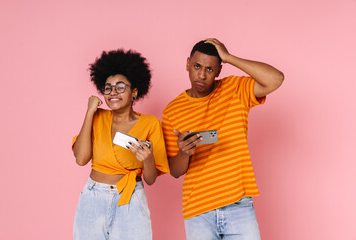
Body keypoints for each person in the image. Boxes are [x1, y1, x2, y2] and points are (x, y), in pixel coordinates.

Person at [162, 38, 284, 239]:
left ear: (219, 70)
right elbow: (175, 171)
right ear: (187, 64)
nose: (201, 74)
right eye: (197, 66)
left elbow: (275, 79)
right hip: (198, 208)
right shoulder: (172, 111)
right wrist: (183, 153)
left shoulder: (235, 89)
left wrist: (229, 57)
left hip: (239, 205)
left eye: (210, 69)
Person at [72, 49, 169, 240]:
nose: (112, 93)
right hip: (93, 198)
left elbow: (150, 179)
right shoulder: (97, 117)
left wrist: (148, 159)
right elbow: (81, 158)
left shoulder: (150, 123)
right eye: (107, 88)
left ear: (134, 92)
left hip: (130, 198)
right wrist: (90, 111)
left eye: (120, 87)